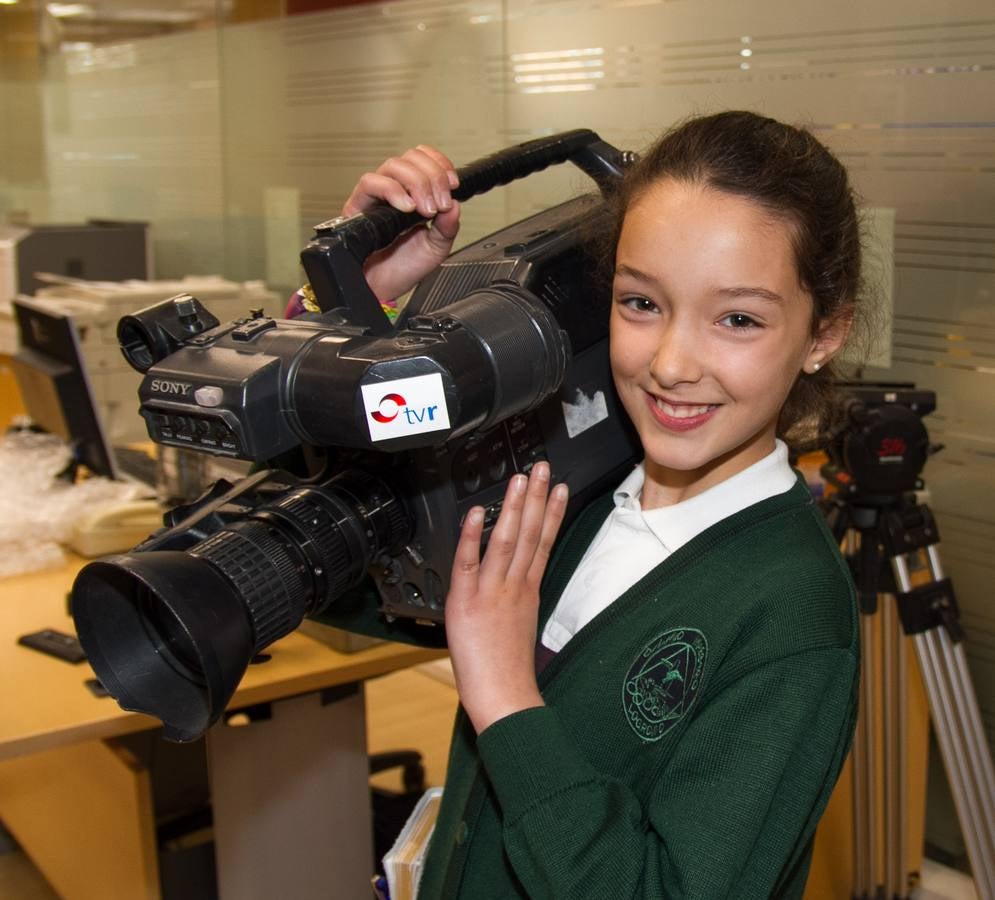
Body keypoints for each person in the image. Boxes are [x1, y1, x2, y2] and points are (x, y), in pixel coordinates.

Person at [330, 111, 862, 898]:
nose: (672, 365)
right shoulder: (571, 493)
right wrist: (352, 307)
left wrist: (505, 698)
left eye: (738, 319)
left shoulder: (792, 619)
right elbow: (335, 565)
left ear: (823, 334)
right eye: (640, 304)